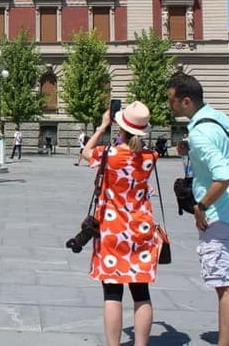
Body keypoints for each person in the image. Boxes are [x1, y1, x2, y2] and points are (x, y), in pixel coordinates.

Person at [168, 73, 229, 346]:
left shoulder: (200, 132)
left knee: (225, 288)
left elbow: (224, 174)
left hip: (218, 218)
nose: (170, 105)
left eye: (172, 100)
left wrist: (202, 206)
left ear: (186, 101)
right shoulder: (218, 118)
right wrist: (189, 149)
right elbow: (225, 153)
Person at [81, 101, 160, 346]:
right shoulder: (150, 157)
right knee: (141, 293)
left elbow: (85, 152)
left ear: (120, 127)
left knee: (113, 293)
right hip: (140, 229)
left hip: (111, 229)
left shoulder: (108, 155)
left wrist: (102, 126)